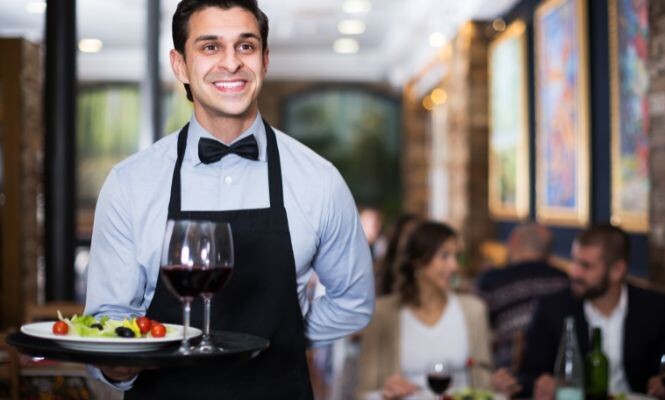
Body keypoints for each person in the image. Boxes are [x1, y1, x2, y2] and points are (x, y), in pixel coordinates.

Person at [83, 1, 374, 398]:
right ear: (180, 64)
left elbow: (353, 302)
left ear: (265, 60)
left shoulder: (319, 180)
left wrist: (283, 335)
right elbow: (111, 318)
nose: (231, 63)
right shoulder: (130, 184)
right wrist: (118, 366)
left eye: (245, 46)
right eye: (209, 47)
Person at [357, 221, 519, 399]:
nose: (455, 266)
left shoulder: (473, 310)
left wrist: (495, 386)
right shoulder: (383, 313)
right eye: (444, 256)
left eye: (456, 257)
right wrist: (387, 393)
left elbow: (482, 384)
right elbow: (366, 391)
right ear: (417, 261)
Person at [517, 224, 665, 399]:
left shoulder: (655, 308)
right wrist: (542, 384)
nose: (574, 272)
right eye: (574, 261)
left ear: (617, 270)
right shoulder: (552, 308)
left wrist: (663, 385)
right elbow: (526, 376)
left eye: (585, 266)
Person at [475, 223, 568, 371]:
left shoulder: (492, 281)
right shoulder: (563, 281)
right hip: (558, 373)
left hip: (508, 375)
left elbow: (477, 329)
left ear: (513, 241)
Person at [374, 213, 420, 296]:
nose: (412, 239)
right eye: (407, 234)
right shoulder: (380, 270)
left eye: (416, 234)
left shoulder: (423, 271)